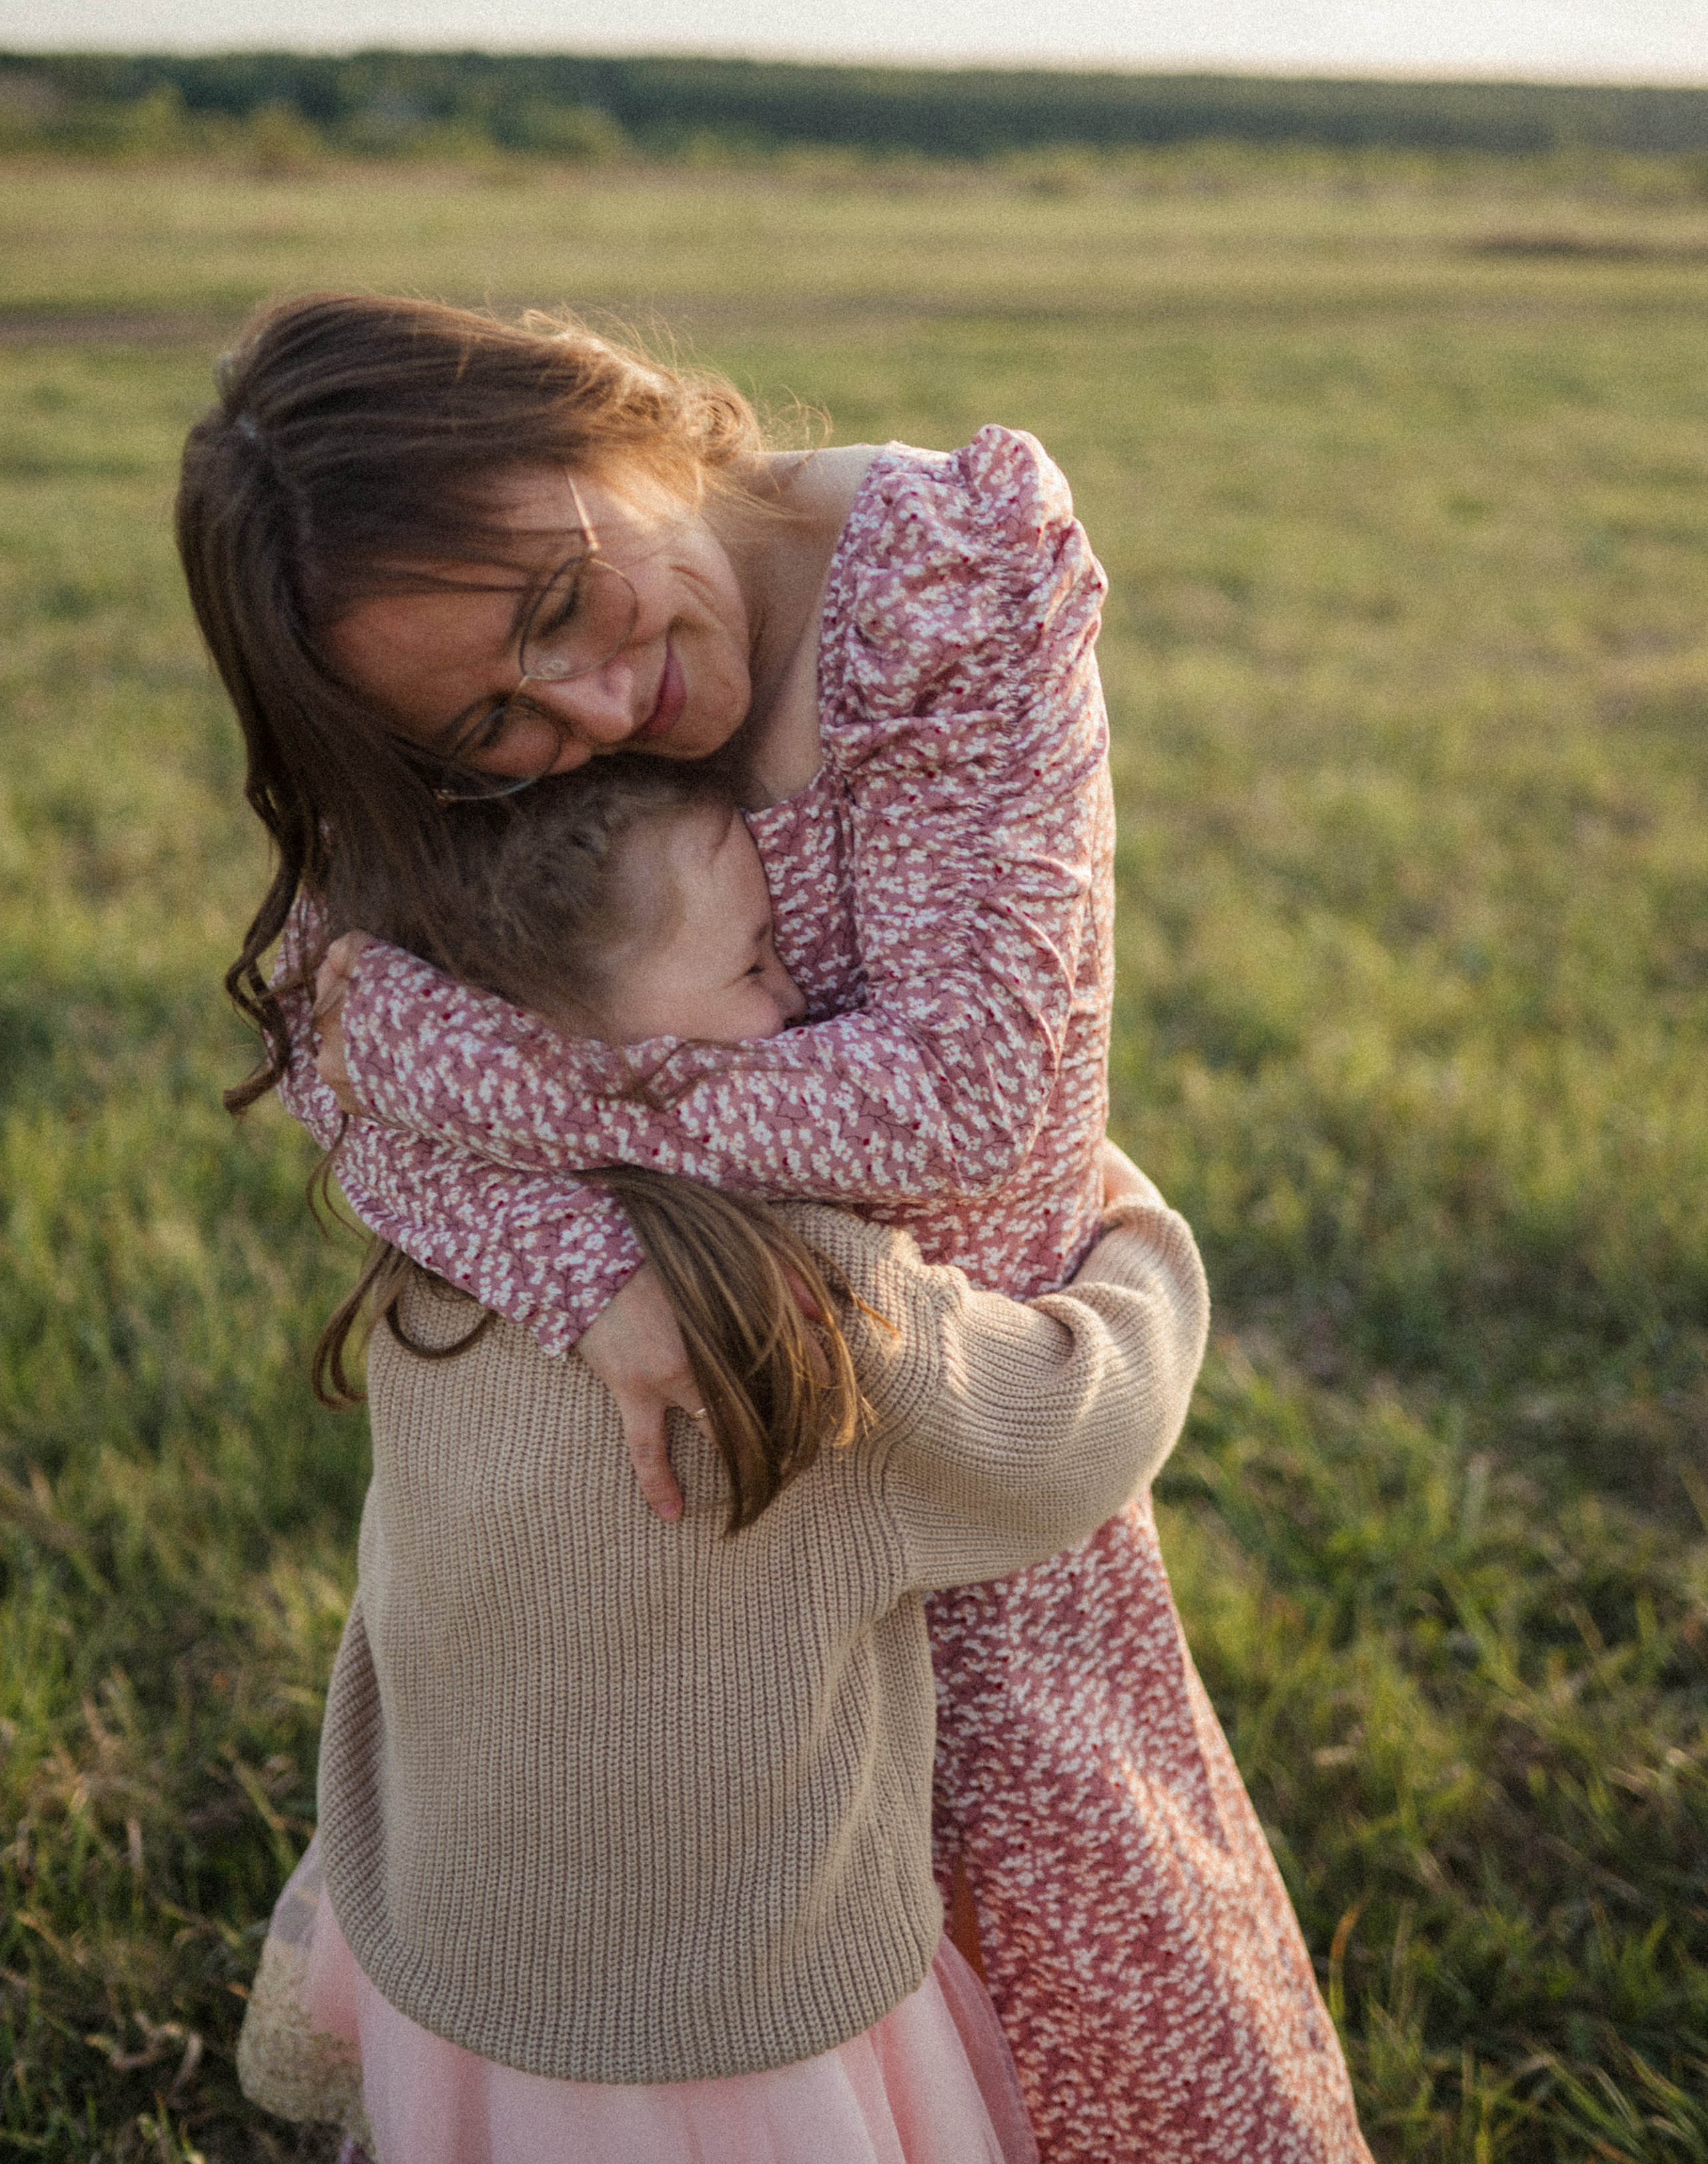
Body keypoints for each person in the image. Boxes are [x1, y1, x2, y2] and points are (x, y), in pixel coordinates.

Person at [179, 292, 1370, 2161]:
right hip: (705, 1490)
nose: (583, 711)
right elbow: (338, 1052)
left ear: (616, 416)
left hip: (944, 1423)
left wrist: (568, 1128)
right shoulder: (450, 727)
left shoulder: (943, 574)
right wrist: (591, 1271)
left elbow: (968, 1092)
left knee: (1069, 2019)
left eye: (560, 605)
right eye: (493, 723)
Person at [236, 758, 1214, 2164]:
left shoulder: (440, 1254)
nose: (795, 1010)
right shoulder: (788, 1305)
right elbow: (1071, 1429)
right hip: (735, 2014)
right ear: (569, 1046)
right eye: (754, 966)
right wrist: (1136, 1239)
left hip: (470, 1934)